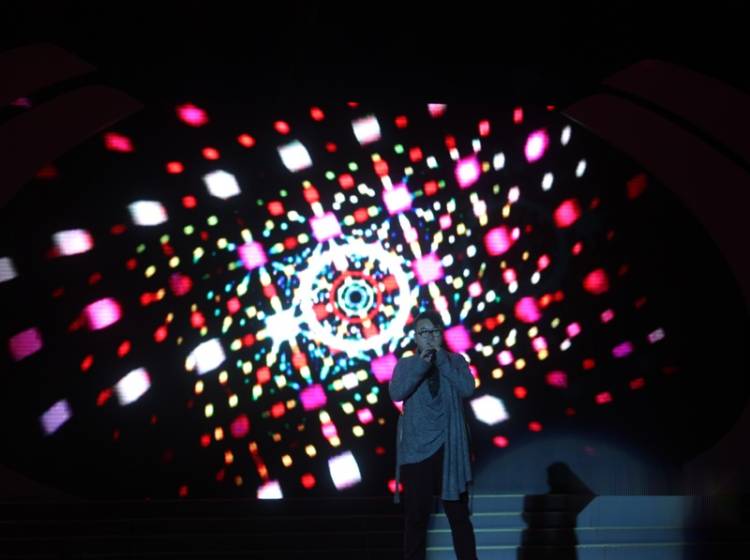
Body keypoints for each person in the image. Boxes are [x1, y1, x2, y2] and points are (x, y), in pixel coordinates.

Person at [389, 310, 477, 560]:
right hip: (417, 448)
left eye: (434, 331)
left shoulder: (455, 361)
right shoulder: (406, 364)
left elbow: (468, 388)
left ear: (441, 334)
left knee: (458, 515)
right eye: (423, 332)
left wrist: (442, 362)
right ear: (415, 337)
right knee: (416, 516)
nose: (429, 337)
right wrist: (422, 364)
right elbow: (397, 393)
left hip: (450, 447)